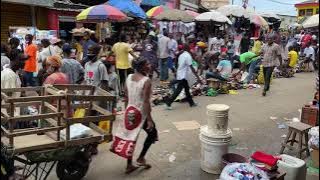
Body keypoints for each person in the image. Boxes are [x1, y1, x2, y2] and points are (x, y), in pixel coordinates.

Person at [110, 57, 158, 174]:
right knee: (152, 134)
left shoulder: (129, 77)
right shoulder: (146, 80)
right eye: (147, 63)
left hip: (130, 111)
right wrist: (150, 119)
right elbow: (146, 102)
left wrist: (127, 111)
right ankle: (141, 158)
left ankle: (129, 165)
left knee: (131, 136)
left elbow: (126, 97)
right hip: (141, 113)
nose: (149, 65)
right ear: (141, 67)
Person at [165, 44, 201, 110]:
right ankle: (168, 103)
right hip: (183, 76)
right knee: (179, 90)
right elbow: (191, 67)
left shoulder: (182, 55)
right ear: (188, 48)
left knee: (186, 90)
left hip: (181, 74)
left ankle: (191, 103)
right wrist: (197, 77)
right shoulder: (187, 56)